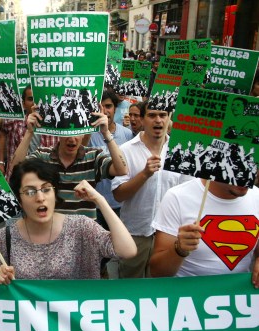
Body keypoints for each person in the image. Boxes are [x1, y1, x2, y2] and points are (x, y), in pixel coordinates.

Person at [0, 158, 136, 284]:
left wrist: (100, 200)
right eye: (30, 192)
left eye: (46, 189)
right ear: (19, 199)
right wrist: (0, 278)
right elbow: (3, 292)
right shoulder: (5, 237)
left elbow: (127, 251)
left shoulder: (81, 227)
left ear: (55, 194)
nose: (40, 197)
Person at [111, 101, 192, 278]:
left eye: (163, 115)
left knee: (162, 288)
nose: (158, 120)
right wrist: (144, 174)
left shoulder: (180, 151)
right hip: (136, 233)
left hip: (169, 234)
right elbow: (118, 195)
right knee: (130, 287)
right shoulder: (125, 150)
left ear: (169, 118)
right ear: (142, 119)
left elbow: (188, 194)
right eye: (152, 115)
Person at [10, 100, 128, 220]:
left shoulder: (93, 156)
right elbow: (16, 168)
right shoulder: (43, 156)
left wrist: (106, 133)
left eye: (76, 133)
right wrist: (30, 132)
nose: (72, 139)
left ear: (83, 134)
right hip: (53, 231)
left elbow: (122, 170)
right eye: (67, 133)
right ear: (58, 133)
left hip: (84, 233)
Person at [149, 179, 259, 289]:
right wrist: (179, 249)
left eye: (255, 168)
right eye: (236, 168)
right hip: (187, 294)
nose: (246, 177)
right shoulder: (177, 197)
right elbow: (158, 272)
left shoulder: (256, 197)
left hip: (241, 296)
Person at [88, 89, 133, 228]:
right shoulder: (88, 135)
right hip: (95, 204)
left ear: (115, 108)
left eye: (108, 106)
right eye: (99, 107)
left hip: (119, 205)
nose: (104, 111)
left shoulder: (127, 134)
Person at [0, 84, 59, 179]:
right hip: (17, 182)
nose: (35, 104)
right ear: (23, 104)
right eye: (30, 99)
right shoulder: (14, 121)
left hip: (44, 183)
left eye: (39, 98)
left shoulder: (57, 127)